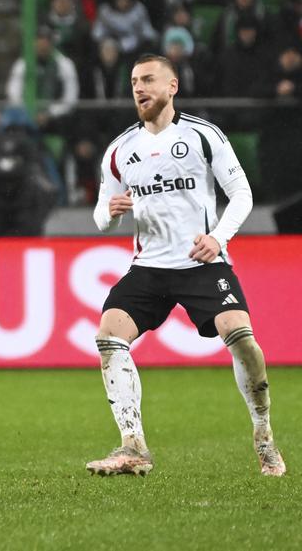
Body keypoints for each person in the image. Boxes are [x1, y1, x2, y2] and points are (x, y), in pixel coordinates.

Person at [86, 54, 286, 477]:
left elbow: (242, 195)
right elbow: (102, 217)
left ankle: (264, 434)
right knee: (108, 337)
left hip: (202, 263)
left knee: (243, 340)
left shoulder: (203, 135)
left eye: (148, 80)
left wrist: (218, 239)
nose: (139, 88)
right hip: (150, 268)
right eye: (134, 81)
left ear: (172, 86)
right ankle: (132, 446)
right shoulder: (121, 149)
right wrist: (112, 211)